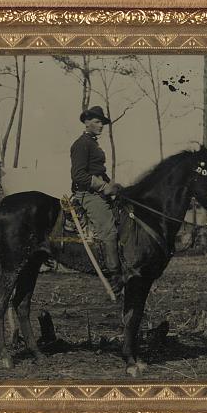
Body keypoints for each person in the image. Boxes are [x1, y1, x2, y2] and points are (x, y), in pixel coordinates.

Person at [70, 106, 124, 302]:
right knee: (108, 230)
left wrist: (113, 185)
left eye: (102, 122)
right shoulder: (81, 144)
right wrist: (103, 187)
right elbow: (79, 176)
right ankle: (115, 277)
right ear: (86, 122)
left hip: (98, 190)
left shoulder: (93, 144)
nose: (101, 125)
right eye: (97, 121)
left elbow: (98, 170)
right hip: (87, 193)